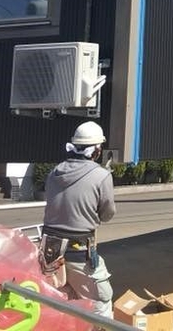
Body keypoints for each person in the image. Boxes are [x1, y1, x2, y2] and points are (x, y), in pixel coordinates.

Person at [41, 121, 116, 319]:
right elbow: (107, 213)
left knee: (66, 297)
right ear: (96, 150)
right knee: (102, 299)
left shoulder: (54, 172)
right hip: (79, 252)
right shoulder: (101, 175)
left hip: (49, 251)